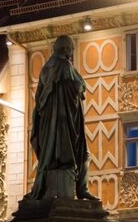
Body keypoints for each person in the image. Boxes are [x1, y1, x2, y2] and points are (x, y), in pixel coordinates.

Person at [27, 35, 92, 200]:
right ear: (67, 49)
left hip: (49, 125)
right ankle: (81, 189)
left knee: (72, 155)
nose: (72, 52)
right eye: (71, 49)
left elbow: (39, 97)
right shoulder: (65, 66)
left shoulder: (46, 68)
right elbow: (80, 87)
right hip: (65, 123)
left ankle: (76, 187)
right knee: (83, 154)